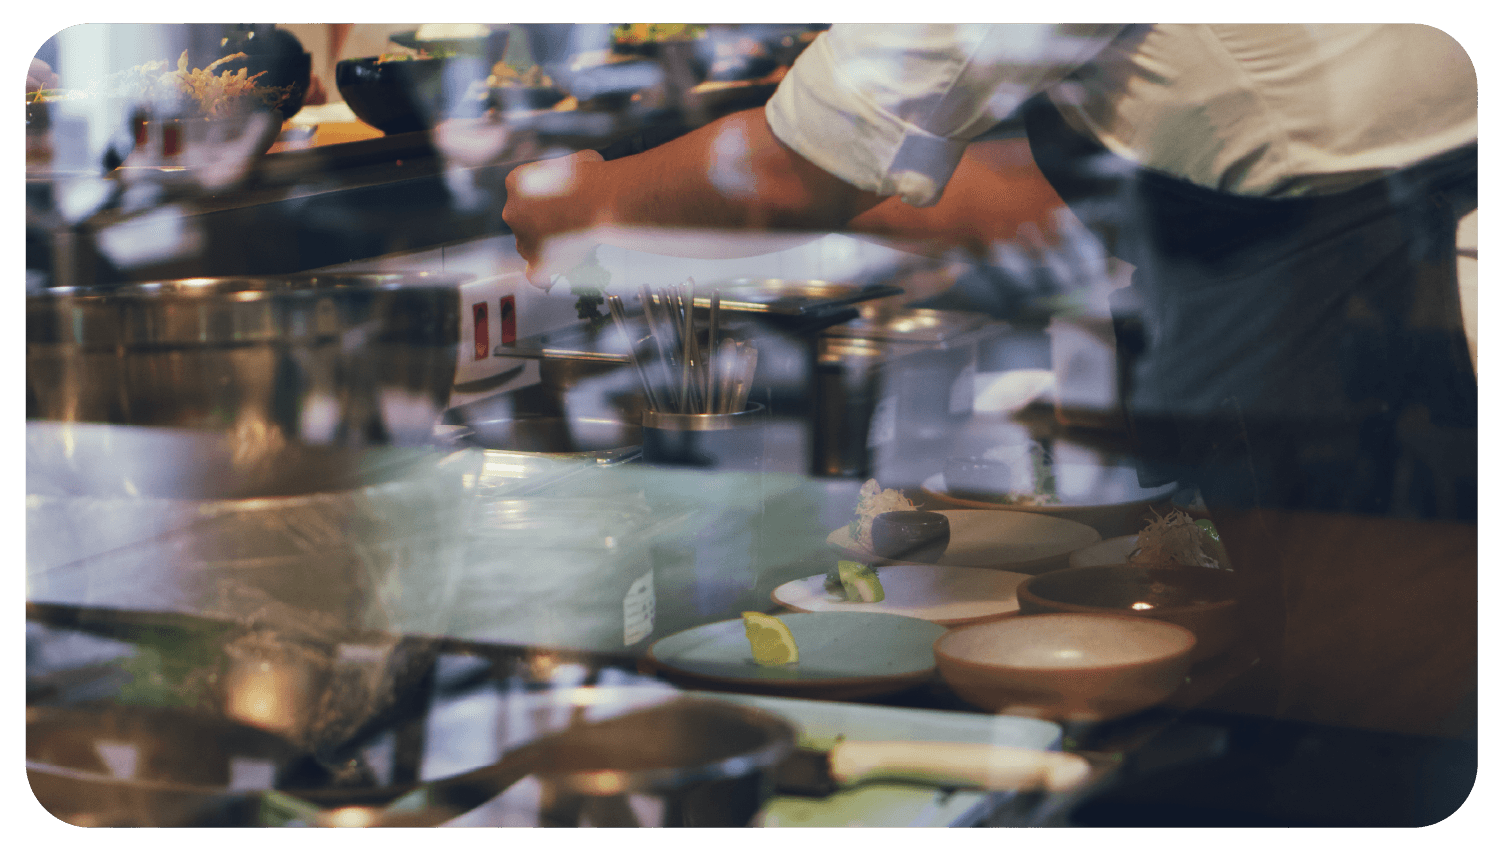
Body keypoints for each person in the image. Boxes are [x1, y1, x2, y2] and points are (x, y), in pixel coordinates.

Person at [502, 24, 1478, 738]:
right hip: (1334, 343)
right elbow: (1019, 191)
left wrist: (589, 203)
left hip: (1387, 364)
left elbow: (797, 167)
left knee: (1373, 729)